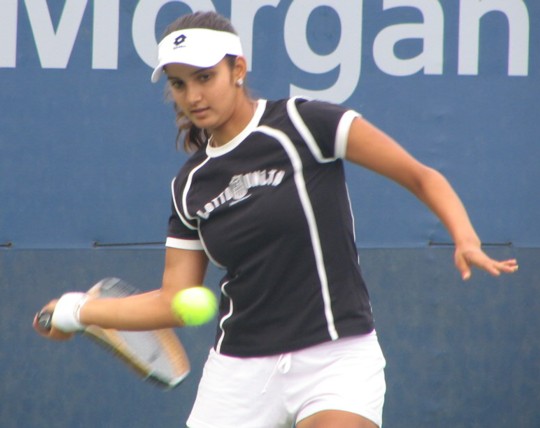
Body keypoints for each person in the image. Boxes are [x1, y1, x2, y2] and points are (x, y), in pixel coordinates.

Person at [34, 10, 518, 428]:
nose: (193, 95)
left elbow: (420, 176)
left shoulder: (307, 124)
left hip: (336, 352)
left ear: (237, 69)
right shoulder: (189, 185)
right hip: (240, 367)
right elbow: (177, 302)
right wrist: (79, 311)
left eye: (205, 77)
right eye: (180, 84)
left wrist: (464, 235)